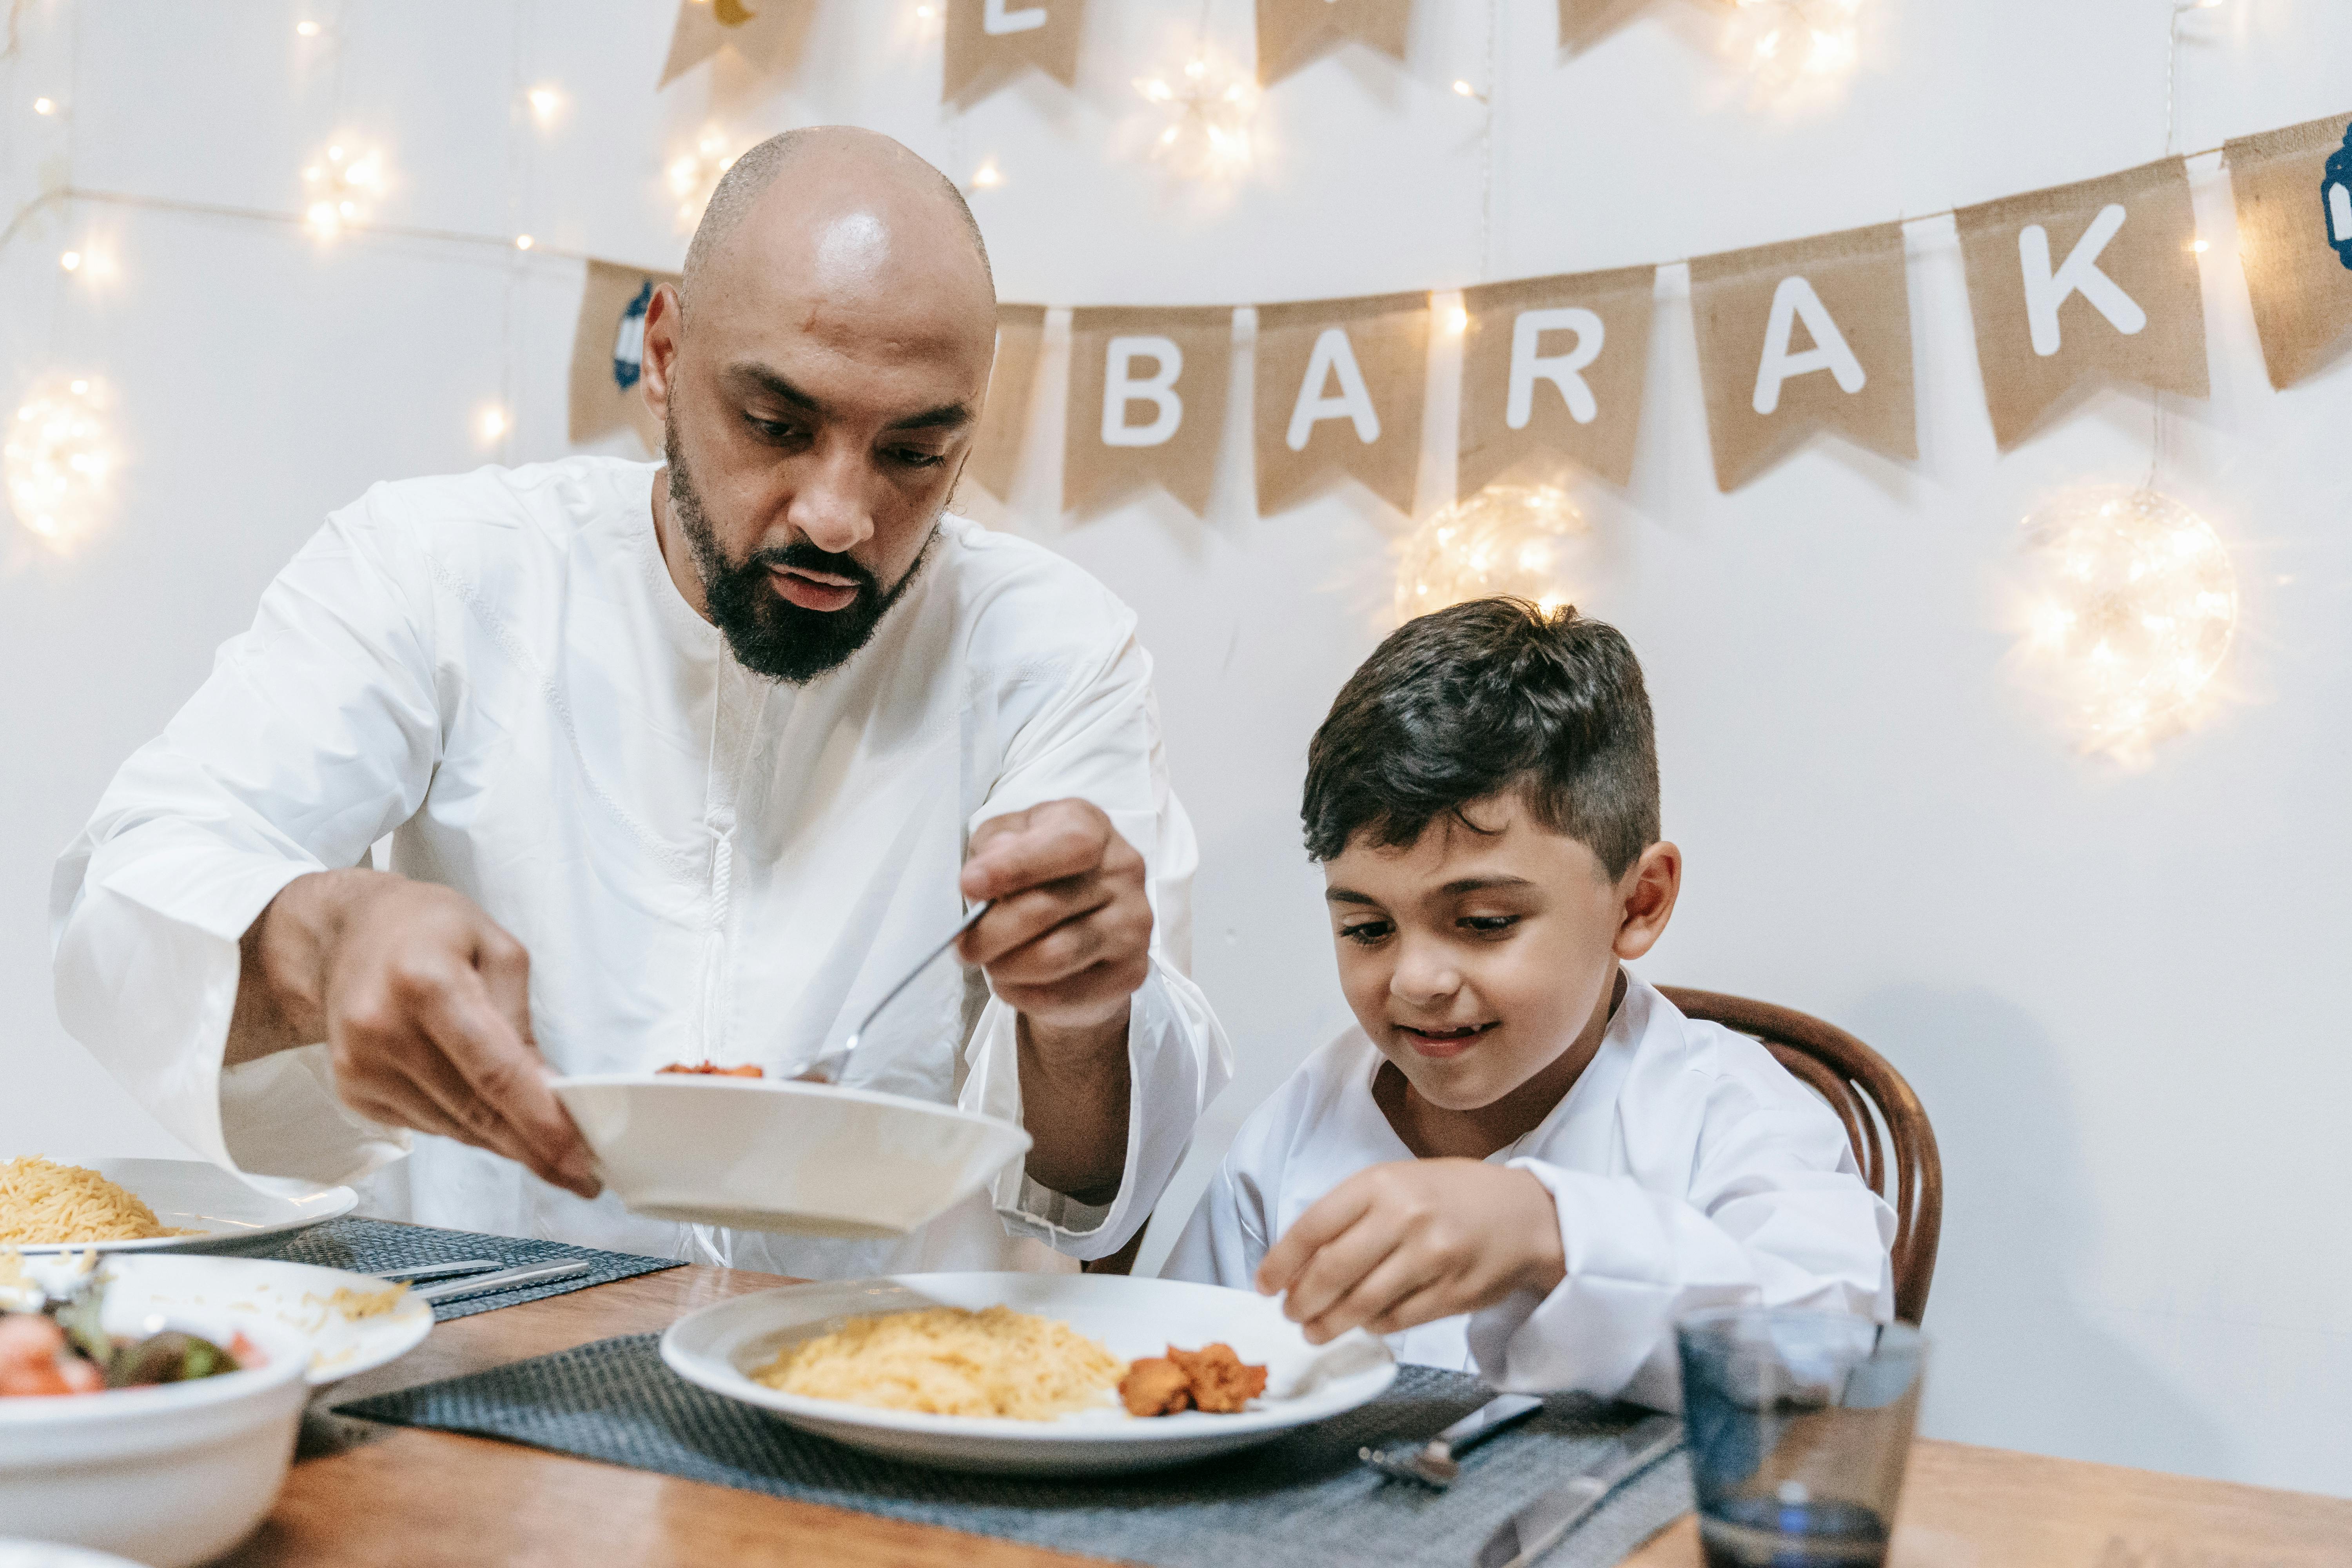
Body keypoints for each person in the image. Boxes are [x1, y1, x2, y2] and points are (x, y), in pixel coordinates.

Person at [50, 126, 1230, 1278]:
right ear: (663, 353)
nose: (839, 515)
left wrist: (1081, 1016)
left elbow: (1088, 1201)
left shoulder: (1052, 647)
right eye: (777, 424)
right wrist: (324, 939)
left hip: (876, 1398)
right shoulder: (438, 566)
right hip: (485, 1364)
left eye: (915, 454)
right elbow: (137, 878)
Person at [1161, 598, 1892, 1408]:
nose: (1417, 979)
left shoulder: (1729, 1114)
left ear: (1638, 901)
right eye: (1368, 927)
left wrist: (1546, 1228)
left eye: (1483, 922)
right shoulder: (1298, 1133)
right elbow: (1183, 1360)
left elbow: (1831, 1347)